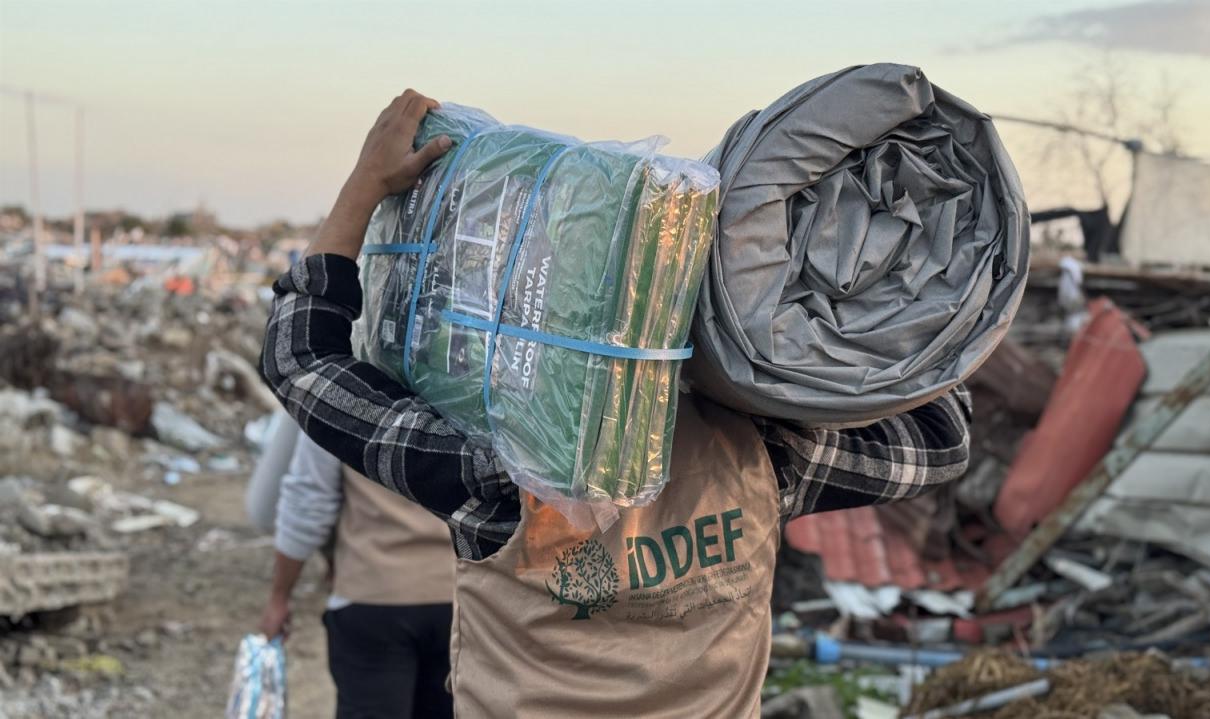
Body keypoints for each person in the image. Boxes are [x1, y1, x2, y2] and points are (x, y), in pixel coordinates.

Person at [260, 90, 973, 718]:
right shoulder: (770, 458)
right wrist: (900, 301)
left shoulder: (499, 477)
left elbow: (303, 363)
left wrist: (365, 185)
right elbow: (939, 438)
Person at [256, 431, 455, 718]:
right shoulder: (478, 403)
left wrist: (280, 596)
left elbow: (309, 501)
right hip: (462, 599)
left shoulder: (339, 402)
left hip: (372, 593)